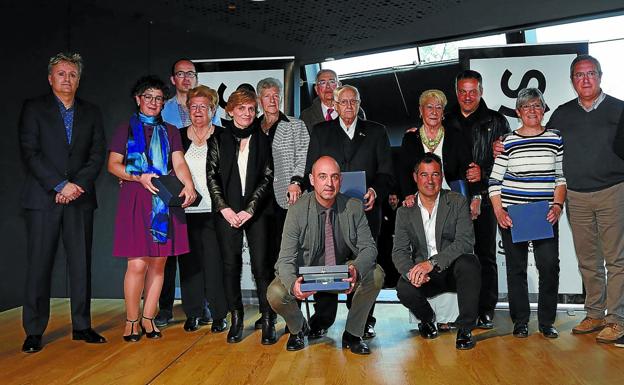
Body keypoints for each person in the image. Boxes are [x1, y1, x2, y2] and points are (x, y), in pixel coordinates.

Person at [19, 52, 106, 353]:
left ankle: (82, 326)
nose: (67, 78)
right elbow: (30, 152)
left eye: (72, 74)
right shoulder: (34, 109)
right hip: (44, 199)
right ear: (50, 78)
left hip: (80, 200)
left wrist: (76, 186)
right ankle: (33, 330)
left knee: (81, 265)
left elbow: (97, 154)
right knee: (39, 266)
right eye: (61, 73)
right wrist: (59, 185)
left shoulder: (92, 112)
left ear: (79, 79)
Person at [107, 75, 196, 342]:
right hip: (136, 199)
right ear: (138, 99)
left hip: (164, 201)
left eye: (158, 98)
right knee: (136, 265)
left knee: (159, 265)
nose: (153, 103)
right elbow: (113, 165)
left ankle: (148, 319)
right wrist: (138, 177)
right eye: (148, 97)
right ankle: (131, 321)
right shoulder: (126, 128)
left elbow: (178, 163)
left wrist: (188, 185)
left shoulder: (170, 131)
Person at [267, 156, 384, 354]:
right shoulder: (296, 210)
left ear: (341, 180)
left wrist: (355, 269)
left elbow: (369, 248)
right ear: (312, 180)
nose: (329, 183)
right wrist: (294, 285)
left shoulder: (354, 207)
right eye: (322, 177)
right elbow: (285, 260)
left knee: (376, 274)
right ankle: (298, 329)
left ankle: (353, 333)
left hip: (342, 272)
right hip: (308, 274)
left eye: (334, 177)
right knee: (275, 292)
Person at [304, 84, 393, 339]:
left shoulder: (377, 132)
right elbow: (312, 170)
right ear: (335, 105)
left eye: (353, 101)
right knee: (327, 260)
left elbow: (387, 172)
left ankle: (363, 320)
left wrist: (375, 191)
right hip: (329, 213)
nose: (349, 106)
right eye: (343, 102)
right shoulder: (321, 132)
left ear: (359, 103)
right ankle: (322, 319)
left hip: (366, 212)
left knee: (365, 263)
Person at [546, 55, 624, 343]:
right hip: (575, 196)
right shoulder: (562, 114)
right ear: (572, 81)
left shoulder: (619, 109)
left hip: (613, 191)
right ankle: (595, 313)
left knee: (616, 260)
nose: (586, 79)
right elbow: (544, 145)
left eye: (591, 73)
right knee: (588, 260)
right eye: (579, 75)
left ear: (601, 76)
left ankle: (617, 318)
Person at [489, 88, 566, 339]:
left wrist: (557, 206)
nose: (532, 111)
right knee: (516, 269)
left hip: (544, 214)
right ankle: (520, 321)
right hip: (514, 214)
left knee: (549, 267)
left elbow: (560, 178)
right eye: (526, 106)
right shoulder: (508, 141)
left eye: (537, 106)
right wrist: (499, 210)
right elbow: (494, 181)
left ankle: (546, 322)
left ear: (544, 110)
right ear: (519, 112)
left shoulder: (555, 138)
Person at [206, 89, 275, 344]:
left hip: (256, 212)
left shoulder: (263, 139)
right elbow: (211, 176)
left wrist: (250, 209)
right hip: (226, 212)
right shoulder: (218, 139)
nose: (247, 113)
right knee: (230, 266)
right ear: (231, 110)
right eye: (241, 108)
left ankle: (268, 319)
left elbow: (268, 177)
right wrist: (224, 208)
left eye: (250, 109)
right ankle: (236, 318)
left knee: (261, 268)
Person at [392, 153, 480, 350]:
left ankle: (465, 329)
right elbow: (399, 251)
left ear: (442, 177)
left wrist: (432, 262)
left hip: (450, 268)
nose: (430, 181)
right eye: (424, 175)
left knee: (470, 263)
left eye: (435, 175)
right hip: (425, 275)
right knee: (404, 287)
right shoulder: (405, 211)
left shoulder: (457, 201)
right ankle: (427, 319)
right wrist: (411, 272)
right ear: (415, 177)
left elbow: (465, 242)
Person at [445, 70, 510, 329]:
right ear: (456, 92)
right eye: (463, 91)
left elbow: (507, 162)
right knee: (453, 255)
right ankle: (457, 311)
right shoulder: (446, 120)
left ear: (481, 91)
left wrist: (482, 174)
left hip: (485, 199)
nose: (468, 96)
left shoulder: (497, 121)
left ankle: (485, 309)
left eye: (473, 91)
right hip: (451, 201)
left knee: (485, 256)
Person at [156, 58, 213, 328]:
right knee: (166, 258)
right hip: (168, 194)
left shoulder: (207, 110)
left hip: (202, 199)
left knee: (197, 256)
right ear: (173, 79)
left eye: (191, 73)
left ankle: (202, 306)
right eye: (181, 74)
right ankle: (165, 309)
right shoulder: (161, 112)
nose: (186, 78)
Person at [255, 77, 310, 331]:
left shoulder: (296, 126)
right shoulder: (253, 128)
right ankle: (268, 314)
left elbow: (304, 156)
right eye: (267, 96)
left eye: (276, 95)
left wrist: (297, 181)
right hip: (258, 203)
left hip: (288, 201)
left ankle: (291, 314)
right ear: (259, 100)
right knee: (263, 260)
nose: (273, 100)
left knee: (287, 258)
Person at [177, 85, 228, 333]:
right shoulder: (176, 136)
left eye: (203, 106)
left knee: (215, 263)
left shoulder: (223, 135)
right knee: (189, 266)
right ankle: (194, 313)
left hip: (215, 211)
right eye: (193, 106)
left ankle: (219, 314)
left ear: (213, 109)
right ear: (187, 109)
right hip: (185, 211)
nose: (198, 111)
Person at [398, 89, 471, 202]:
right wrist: (408, 195)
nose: (434, 112)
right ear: (421, 110)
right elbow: (403, 171)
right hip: (420, 201)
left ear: (443, 112)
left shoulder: (456, 136)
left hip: (452, 198)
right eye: (429, 107)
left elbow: (467, 170)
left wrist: (475, 197)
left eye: (438, 107)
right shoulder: (410, 139)